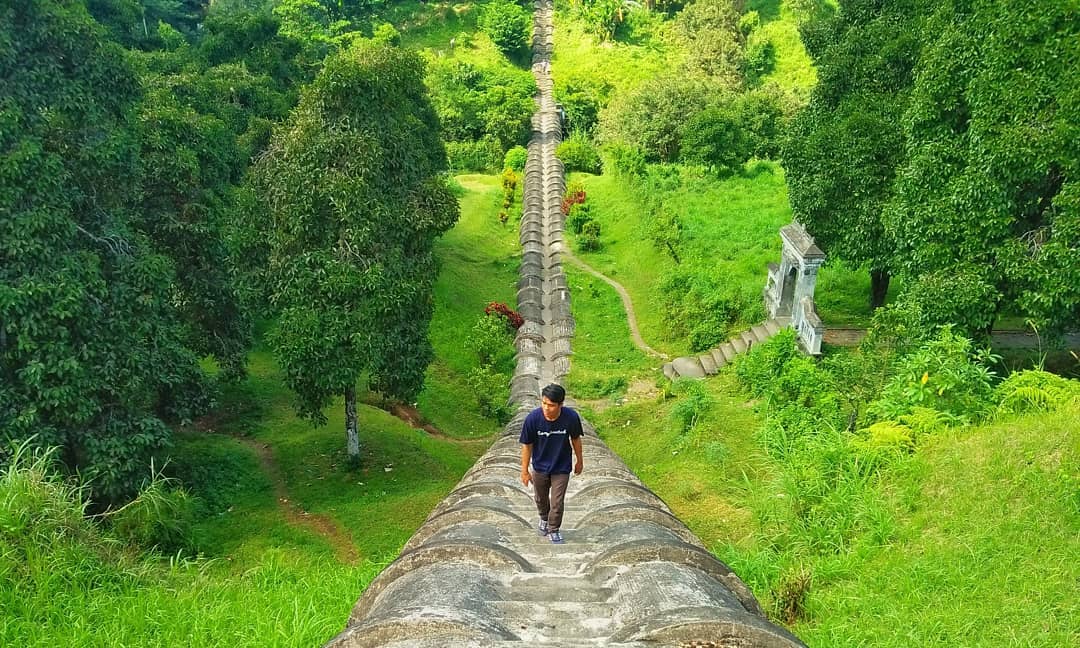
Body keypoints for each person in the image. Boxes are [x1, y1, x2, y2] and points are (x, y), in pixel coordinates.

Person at [520, 384, 583, 544]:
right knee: (540, 498)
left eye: (551, 405)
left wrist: (579, 460)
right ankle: (544, 518)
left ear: (560, 404)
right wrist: (524, 470)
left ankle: (554, 529)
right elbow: (527, 445)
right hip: (540, 466)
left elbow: (575, 439)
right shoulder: (533, 419)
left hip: (561, 466)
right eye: (544, 403)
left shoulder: (571, 417)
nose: (547, 408)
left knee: (557, 501)